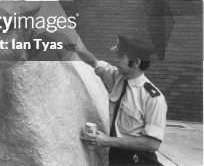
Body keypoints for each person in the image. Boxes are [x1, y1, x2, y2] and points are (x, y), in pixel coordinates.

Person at [71, 33, 167, 166]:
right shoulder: (118, 78)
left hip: (138, 161)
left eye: (121, 56)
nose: (116, 59)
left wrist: (106, 141)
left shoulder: (153, 98)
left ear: (137, 62)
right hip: (117, 158)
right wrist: (76, 45)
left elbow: (153, 143)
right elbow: (94, 62)